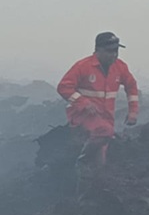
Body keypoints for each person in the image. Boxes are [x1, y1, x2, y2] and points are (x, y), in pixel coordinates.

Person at [57, 32, 139, 168]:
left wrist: (133, 112)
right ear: (98, 50)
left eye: (116, 51)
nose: (114, 54)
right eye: (109, 51)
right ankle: (82, 161)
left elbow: (131, 87)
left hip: (106, 117)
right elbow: (64, 87)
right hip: (83, 114)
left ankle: (92, 179)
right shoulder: (83, 66)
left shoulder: (120, 67)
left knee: (101, 158)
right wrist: (83, 102)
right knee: (105, 132)